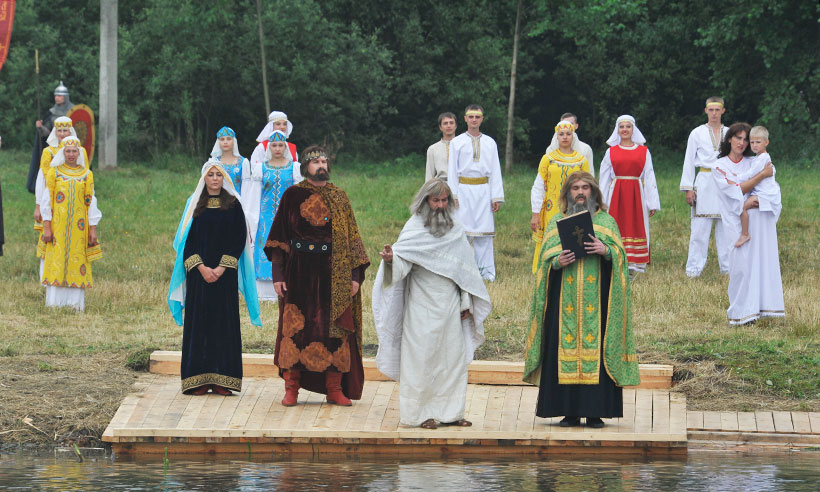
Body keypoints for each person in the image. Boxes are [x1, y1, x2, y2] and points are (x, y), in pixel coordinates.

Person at [523, 172, 640, 428]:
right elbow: (544, 264)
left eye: (585, 187)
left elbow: (621, 259)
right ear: (567, 193)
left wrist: (606, 250)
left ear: (593, 192)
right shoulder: (556, 222)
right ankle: (568, 412)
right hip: (563, 302)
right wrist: (557, 261)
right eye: (575, 188)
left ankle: (596, 411)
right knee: (560, 350)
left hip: (598, 301)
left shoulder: (606, 222)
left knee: (597, 350)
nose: (580, 192)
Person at [372, 179, 491, 429]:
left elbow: (465, 270)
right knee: (421, 359)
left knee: (451, 359)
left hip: (450, 304)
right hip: (421, 304)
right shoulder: (414, 227)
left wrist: (466, 302)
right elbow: (403, 263)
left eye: (444, 200)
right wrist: (392, 259)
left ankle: (452, 412)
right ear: (425, 201)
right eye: (435, 200)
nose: (440, 205)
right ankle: (419, 414)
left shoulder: (456, 228)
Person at [263, 146, 370, 407]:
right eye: (315, 162)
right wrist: (278, 274)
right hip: (298, 270)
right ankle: (291, 389)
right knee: (295, 330)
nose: (321, 165)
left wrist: (354, 276)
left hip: (333, 272)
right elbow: (279, 236)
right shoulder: (292, 195)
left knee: (333, 331)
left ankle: (334, 389)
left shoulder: (339, 197)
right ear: (305, 167)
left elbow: (353, 240)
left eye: (324, 161)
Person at [168, 160, 262, 395]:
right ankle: (198, 380)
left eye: (218, 175)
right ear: (204, 178)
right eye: (210, 175)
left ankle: (223, 379)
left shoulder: (233, 205)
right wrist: (201, 268)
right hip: (198, 276)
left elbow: (239, 238)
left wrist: (220, 268)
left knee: (223, 324)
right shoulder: (194, 205)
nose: (214, 179)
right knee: (199, 323)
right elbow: (186, 242)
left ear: (224, 178)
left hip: (225, 276)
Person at [712, 123, 784, 325]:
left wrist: (760, 198)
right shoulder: (719, 166)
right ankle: (740, 313)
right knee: (741, 267)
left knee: (761, 264)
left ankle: (762, 310)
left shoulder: (755, 160)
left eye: (746, 139)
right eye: (739, 138)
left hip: (759, 221)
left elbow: (771, 183)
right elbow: (734, 191)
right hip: (735, 222)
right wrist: (758, 180)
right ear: (729, 139)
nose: (742, 143)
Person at [39, 137, 102, 311]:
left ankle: (75, 304)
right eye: (68, 151)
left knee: (77, 259)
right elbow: (47, 200)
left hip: (79, 229)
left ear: (79, 153)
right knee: (57, 259)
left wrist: (93, 228)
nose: (71, 154)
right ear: (63, 152)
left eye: (74, 151)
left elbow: (91, 202)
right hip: (57, 227)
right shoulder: (55, 173)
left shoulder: (86, 175)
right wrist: (47, 226)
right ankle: (55, 303)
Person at [241, 130, 302, 301]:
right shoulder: (261, 168)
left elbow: (298, 195)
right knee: (264, 248)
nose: (277, 148)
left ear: (285, 147)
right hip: (265, 217)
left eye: (280, 145)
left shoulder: (294, 168)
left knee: (287, 247)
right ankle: (264, 292)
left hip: (287, 217)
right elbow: (254, 195)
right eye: (274, 145)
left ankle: (288, 285)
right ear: (269, 147)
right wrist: (252, 218)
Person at [447, 104, 504, 281]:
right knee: (461, 233)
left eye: (477, 117)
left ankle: (486, 273)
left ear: (482, 119)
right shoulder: (456, 142)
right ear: (465, 119)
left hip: (484, 191)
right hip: (463, 190)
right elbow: (452, 170)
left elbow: (495, 170)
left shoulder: (490, 142)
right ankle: (460, 272)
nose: (474, 120)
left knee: (484, 234)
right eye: (470, 117)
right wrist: (453, 194)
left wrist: (496, 196)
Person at [598, 115, 660, 276]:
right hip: (616, 195)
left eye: (628, 126)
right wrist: (601, 201)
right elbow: (604, 178)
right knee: (616, 225)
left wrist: (652, 202)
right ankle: (614, 261)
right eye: (621, 127)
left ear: (633, 129)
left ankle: (633, 265)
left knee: (635, 225)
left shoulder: (643, 152)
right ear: (617, 130)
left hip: (636, 195)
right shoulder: (611, 152)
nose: (624, 129)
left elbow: (649, 176)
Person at [530, 120, 590, 273]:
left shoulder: (581, 160)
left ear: (573, 136)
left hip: (574, 207)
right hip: (551, 208)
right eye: (561, 134)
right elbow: (538, 186)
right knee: (552, 236)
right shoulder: (548, 158)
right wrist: (535, 213)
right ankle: (547, 269)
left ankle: (572, 270)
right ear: (556, 136)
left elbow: (588, 186)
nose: (565, 137)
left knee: (574, 235)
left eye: (568, 134)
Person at [680, 97, 730, 277]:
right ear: (706, 111)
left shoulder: (730, 132)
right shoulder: (697, 133)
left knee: (726, 229)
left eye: (717, 110)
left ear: (723, 111)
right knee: (699, 231)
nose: (714, 113)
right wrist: (688, 188)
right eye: (711, 110)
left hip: (725, 183)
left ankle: (728, 268)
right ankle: (693, 270)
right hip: (704, 181)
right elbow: (688, 160)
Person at [735, 126, 780, 248]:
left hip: (765, 194)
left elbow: (751, 174)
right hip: (760, 192)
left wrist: (736, 177)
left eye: (758, 142)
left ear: (766, 142)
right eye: (752, 142)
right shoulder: (758, 158)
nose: (754, 145)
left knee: (742, 207)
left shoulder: (763, 158)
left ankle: (745, 234)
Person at [27, 81, 74, 193]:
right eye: (56, 95)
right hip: (55, 146)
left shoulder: (74, 111)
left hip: (71, 147)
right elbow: (48, 133)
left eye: (59, 95)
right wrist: (40, 128)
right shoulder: (51, 113)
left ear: (65, 97)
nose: (56, 98)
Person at [546, 112, 595, 177]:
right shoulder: (551, 149)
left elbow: (590, 173)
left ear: (576, 126)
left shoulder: (585, 149)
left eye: (570, 123)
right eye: (564, 123)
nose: (566, 126)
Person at [210, 126, 249, 195]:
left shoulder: (243, 163)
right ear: (218, 142)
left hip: (237, 200)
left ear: (234, 141)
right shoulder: (214, 162)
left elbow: (246, 188)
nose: (225, 142)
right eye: (222, 139)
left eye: (228, 139)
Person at [425, 112, 457, 181]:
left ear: (455, 126)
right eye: (445, 123)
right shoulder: (433, 149)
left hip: (460, 184)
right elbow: (429, 175)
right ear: (440, 127)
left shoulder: (463, 146)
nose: (449, 126)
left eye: (451, 123)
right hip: (441, 185)